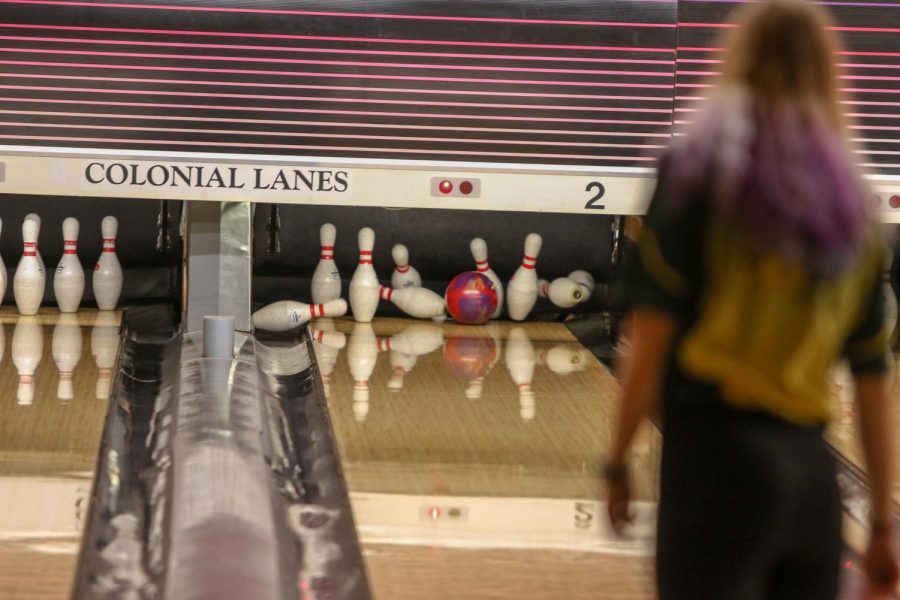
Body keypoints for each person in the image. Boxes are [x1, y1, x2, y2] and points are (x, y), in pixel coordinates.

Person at [604, 0, 899, 598]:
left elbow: (650, 338)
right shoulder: (851, 216)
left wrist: (615, 460)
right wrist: (885, 525)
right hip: (810, 480)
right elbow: (873, 383)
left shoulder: (695, 181)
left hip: (716, 467)